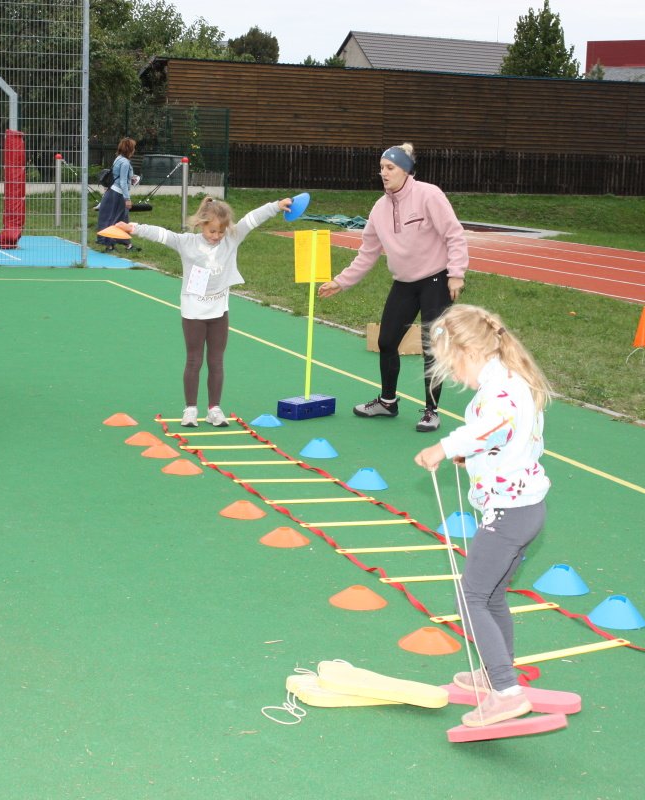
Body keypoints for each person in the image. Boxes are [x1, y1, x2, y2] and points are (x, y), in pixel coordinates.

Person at [413, 304, 552, 727]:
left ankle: (506, 691)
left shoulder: (501, 391)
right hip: (523, 508)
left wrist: (444, 448)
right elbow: (508, 440)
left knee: (471, 596)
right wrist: (474, 457)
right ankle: (497, 672)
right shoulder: (509, 379)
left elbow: (488, 428)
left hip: (510, 514)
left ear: (469, 351)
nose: (455, 376)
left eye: (453, 365)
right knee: (490, 596)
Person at [318, 142, 468, 433]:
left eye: (390, 168)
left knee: (432, 346)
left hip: (436, 280)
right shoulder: (379, 208)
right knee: (386, 341)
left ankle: (431, 411)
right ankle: (387, 402)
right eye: (381, 168)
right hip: (404, 283)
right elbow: (367, 253)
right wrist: (341, 281)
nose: (383, 173)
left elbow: (454, 234)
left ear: (406, 170)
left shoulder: (429, 195)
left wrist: (456, 274)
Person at [118, 195, 293, 427]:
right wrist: (134, 228)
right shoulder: (186, 243)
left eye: (221, 231)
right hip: (193, 312)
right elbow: (162, 234)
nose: (216, 236)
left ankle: (214, 409)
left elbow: (252, 219)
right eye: (212, 231)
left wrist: (276, 206)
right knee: (194, 360)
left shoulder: (231, 239)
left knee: (216, 361)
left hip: (219, 311)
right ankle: (190, 409)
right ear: (201, 224)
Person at [96, 137, 139, 252]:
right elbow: (123, 182)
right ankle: (111, 244)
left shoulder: (118, 159)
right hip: (119, 194)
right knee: (117, 219)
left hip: (112, 191)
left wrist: (131, 179)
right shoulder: (125, 163)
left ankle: (125, 244)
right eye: (133, 148)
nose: (134, 150)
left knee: (119, 218)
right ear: (129, 149)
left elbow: (118, 177)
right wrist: (127, 198)